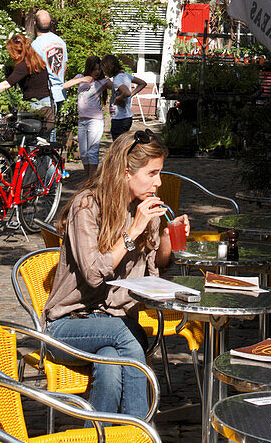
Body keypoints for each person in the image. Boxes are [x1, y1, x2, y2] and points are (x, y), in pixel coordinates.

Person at [42, 130, 190, 416]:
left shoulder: (143, 208)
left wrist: (170, 236)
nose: (159, 183)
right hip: (67, 325)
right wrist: (133, 230)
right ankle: (142, 430)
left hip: (116, 321)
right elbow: (95, 274)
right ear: (125, 173)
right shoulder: (86, 206)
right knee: (129, 337)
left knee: (110, 371)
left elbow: (156, 266)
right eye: (153, 174)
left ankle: (97, 436)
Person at [62, 56, 111, 179]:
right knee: (83, 153)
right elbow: (65, 85)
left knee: (92, 152)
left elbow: (119, 87)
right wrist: (83, 79)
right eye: (94, 69)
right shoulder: (80, 77)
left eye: (99, 69)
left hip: (95, 120)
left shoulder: (102, 82)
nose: (97, 72)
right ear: (89, 69)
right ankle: (87, 179)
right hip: (82, 120)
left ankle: (91, 182)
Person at [0, 34, 54, 124]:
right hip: (47, 102)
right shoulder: (36, 60)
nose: (10, 56)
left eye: (11, 52)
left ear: (17, 52)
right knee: (46, 136)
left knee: (32, 135)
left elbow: (7, 84)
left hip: (36, 105)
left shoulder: (24, 65)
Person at [31, 9, 68, 113]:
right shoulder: (60, 41)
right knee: (53, 124)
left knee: (46, 127)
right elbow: (64, 67)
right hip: (60, 92)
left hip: (44, 95)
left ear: (34, 24)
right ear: (51, 24)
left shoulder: (35, 45)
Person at [104, 54, 147, 141]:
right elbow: (142, 83)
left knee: (119, 146)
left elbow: (126, 92)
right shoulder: (125, 75)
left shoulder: (117, 79)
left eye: (104, 70)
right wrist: (132, 94)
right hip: (126, 117)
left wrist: (119, 98)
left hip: (119, 119)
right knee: (124, 144)